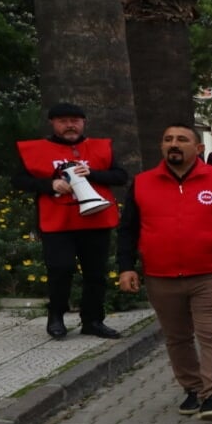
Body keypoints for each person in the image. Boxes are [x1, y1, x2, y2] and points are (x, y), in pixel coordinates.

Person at [117, 124, 212, 422]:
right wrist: (126, 267)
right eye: (168, 139)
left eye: (182, 139)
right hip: (161, 276)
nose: (174, 144)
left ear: (199, 148)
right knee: (177, 337)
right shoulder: (143, 183)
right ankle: (193, 389)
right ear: (161, 147)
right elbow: (128, 229)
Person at [13, 103, 129, 339]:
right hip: (57, 222)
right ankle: (56, 316)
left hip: (95, 220)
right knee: (60, 270)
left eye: (75, 120)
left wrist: (93, 173)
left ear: (84, 122)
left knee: (95, 274)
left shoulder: (100, 147)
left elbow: (120, 176)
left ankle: (93, 320)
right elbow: (18, 180)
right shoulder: (36, 149)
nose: (70, 125)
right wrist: (49, 184)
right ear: (52, 123)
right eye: (63, 121)